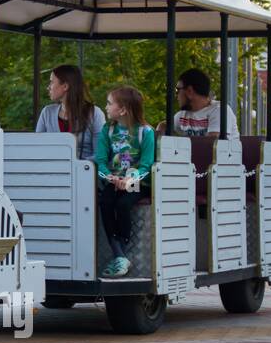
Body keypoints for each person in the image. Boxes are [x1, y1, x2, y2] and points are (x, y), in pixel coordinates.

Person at [95, 85, 155, 278]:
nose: (106, 107)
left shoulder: (145, 132)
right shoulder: (107, 130)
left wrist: (130, 179)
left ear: (123, 110)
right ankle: (119, 255)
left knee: (122, 205)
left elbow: (147, 165)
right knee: (105, 202)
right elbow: (101, 161)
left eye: (109, 103)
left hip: (136, 182)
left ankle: (120, 250)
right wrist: (110, 177)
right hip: (113, 180)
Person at [35, 64, 105, 160]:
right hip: (52, 172)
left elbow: (100, 154)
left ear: (65, 86)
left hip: (83, 173)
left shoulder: (94, 113)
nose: (48, 87)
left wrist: (75, 165)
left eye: (51, 82)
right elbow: (37, 149)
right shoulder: (47, 113)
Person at [159, 68, 239, 137]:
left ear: (190, 91)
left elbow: (212, 146)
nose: (176, 96)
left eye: (177, 90)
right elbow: (164, 125)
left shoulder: (220, 111)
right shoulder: (183, 115)